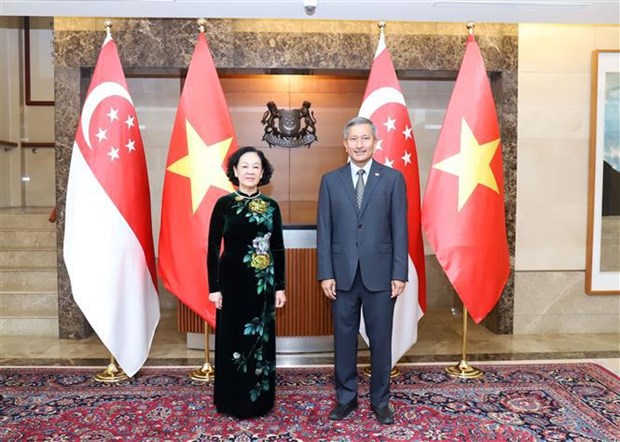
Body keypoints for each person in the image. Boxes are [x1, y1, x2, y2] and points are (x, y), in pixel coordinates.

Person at [316, 116, 408, 425]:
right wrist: (325, 273)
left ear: (375, 142)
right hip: (341, 276)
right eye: (353, 139)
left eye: (365, 138)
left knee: (381, 340)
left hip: (381, 275)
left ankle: (381, 401)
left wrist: (400, 272)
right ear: (345, 143)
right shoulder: (330, 180)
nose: (359, 144)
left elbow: (400, 229)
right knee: (343, 340)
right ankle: (346, 398)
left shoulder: (392, 179)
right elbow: (325, 230)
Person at [207, 146, 286, 418]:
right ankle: (230, 401)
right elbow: (212, 247)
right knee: (231, 341)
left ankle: (259, 401)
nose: (250, 171)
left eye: (256, 166)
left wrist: (280, 287)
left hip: (262, 286)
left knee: (259, 343)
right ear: (235, 171)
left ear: (263, 172)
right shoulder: (224, 204)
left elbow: (277, 249)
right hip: (230, 286)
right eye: (245, 166)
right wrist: (213, 288)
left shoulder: (271, 207)